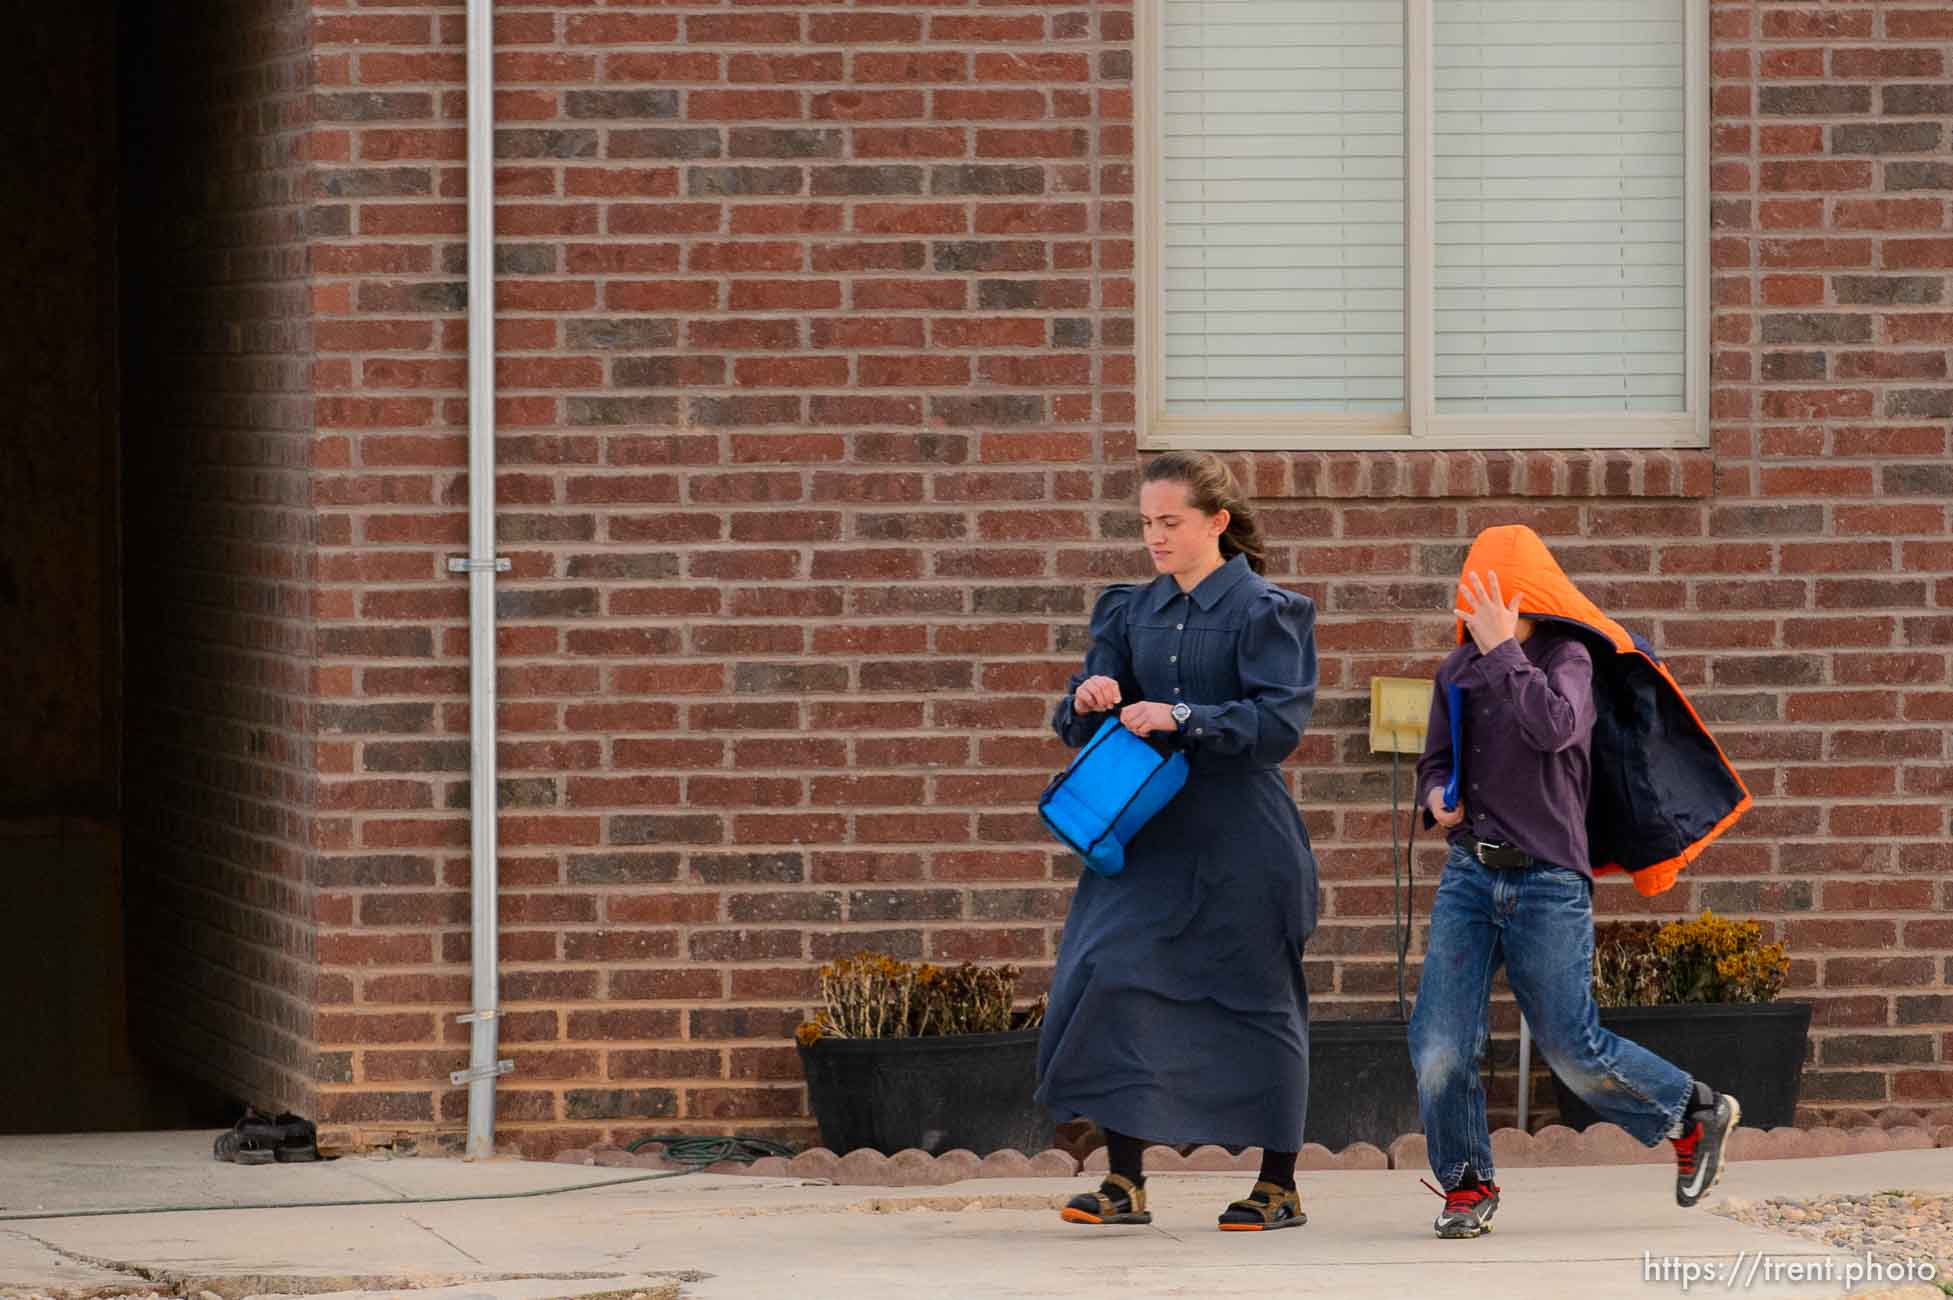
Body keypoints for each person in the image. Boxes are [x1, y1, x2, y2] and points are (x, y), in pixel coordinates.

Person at [1409, 525, 1746, 1240]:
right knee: (1440, 1044)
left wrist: (1503, 649)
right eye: (1467, 598)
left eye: (1485, 596)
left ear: (1519, 595)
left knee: (1570, 1046)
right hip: (1470, 875)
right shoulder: (1455, 672)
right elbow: (1434, 760)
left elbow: (1554, 728)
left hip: (1546, 884)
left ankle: (1690, 1112)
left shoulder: (1569, 660)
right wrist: (1437, 795)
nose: (1470, 611)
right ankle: (1467, 1183)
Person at [1038, 450, 1320, 1233]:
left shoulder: (1270, 611)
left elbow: (1277, 728)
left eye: (1170, 522)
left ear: (1216, 523)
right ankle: (1123, 1181)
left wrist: (1183, 717)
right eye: (1145, 523)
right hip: (1142, 833)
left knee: (1257, 998)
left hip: (1240, 838)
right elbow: (1077, 721)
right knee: (1110, 976)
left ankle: (1278, 1185)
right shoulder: (1128, 609)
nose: (1154, 537)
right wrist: (1090, 698)